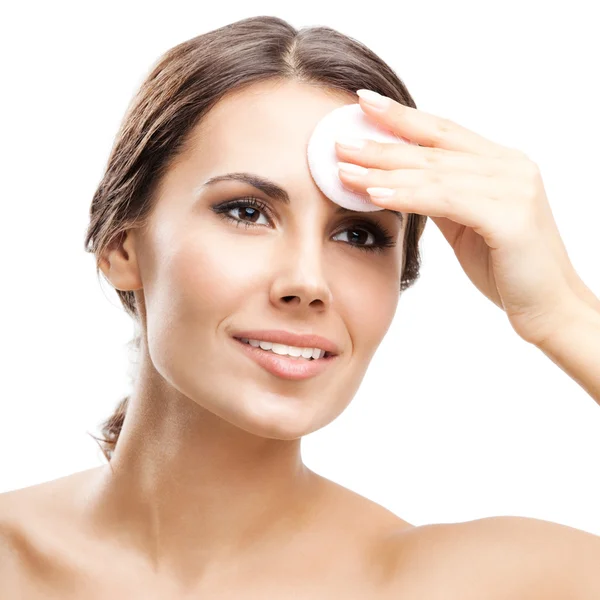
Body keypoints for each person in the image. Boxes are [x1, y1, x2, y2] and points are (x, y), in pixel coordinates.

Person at [2, 15, 600, 598]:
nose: (307, 281)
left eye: (359, 234)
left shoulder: (485, 584)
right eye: (246, 211)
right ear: (119, 246)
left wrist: (564, 312)